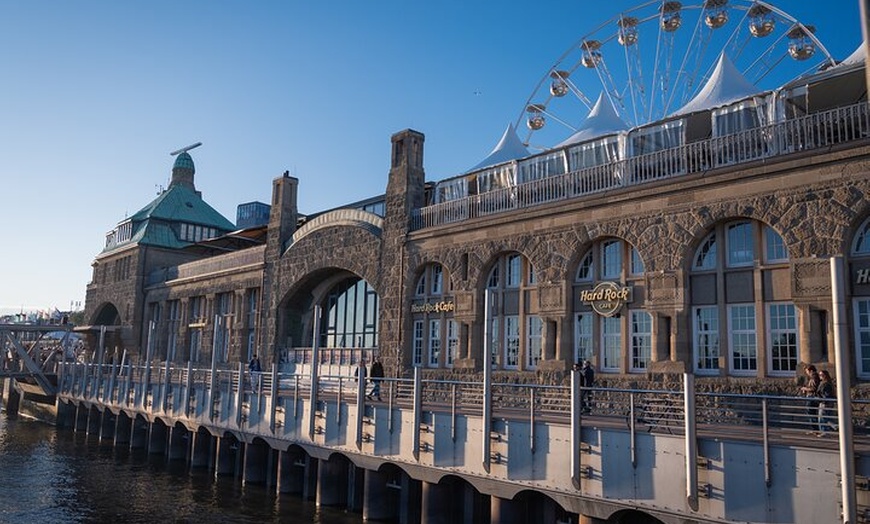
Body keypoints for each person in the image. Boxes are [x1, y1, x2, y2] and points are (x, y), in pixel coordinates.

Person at [800, 364, 820, 431]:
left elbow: (814, 388)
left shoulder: (814, 377)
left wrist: (805, 389)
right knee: (811, 413)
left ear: (810, 371)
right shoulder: (812, 377)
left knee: (811, 413)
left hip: (812, 397)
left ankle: (816, 429)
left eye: (807, 371)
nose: (806, 373)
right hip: (811, 397)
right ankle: (815, 429)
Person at [816, 370, 837, 435]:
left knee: (822, 418)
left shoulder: (826, 384)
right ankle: (832, 428)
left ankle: (826, 431)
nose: (820, 377)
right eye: (819, 375)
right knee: (827, 417)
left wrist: (822, 399)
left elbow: (826, 394)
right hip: (827, 402)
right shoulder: (825, 383)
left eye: (821, 375)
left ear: (825, 376)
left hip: (825, 402)